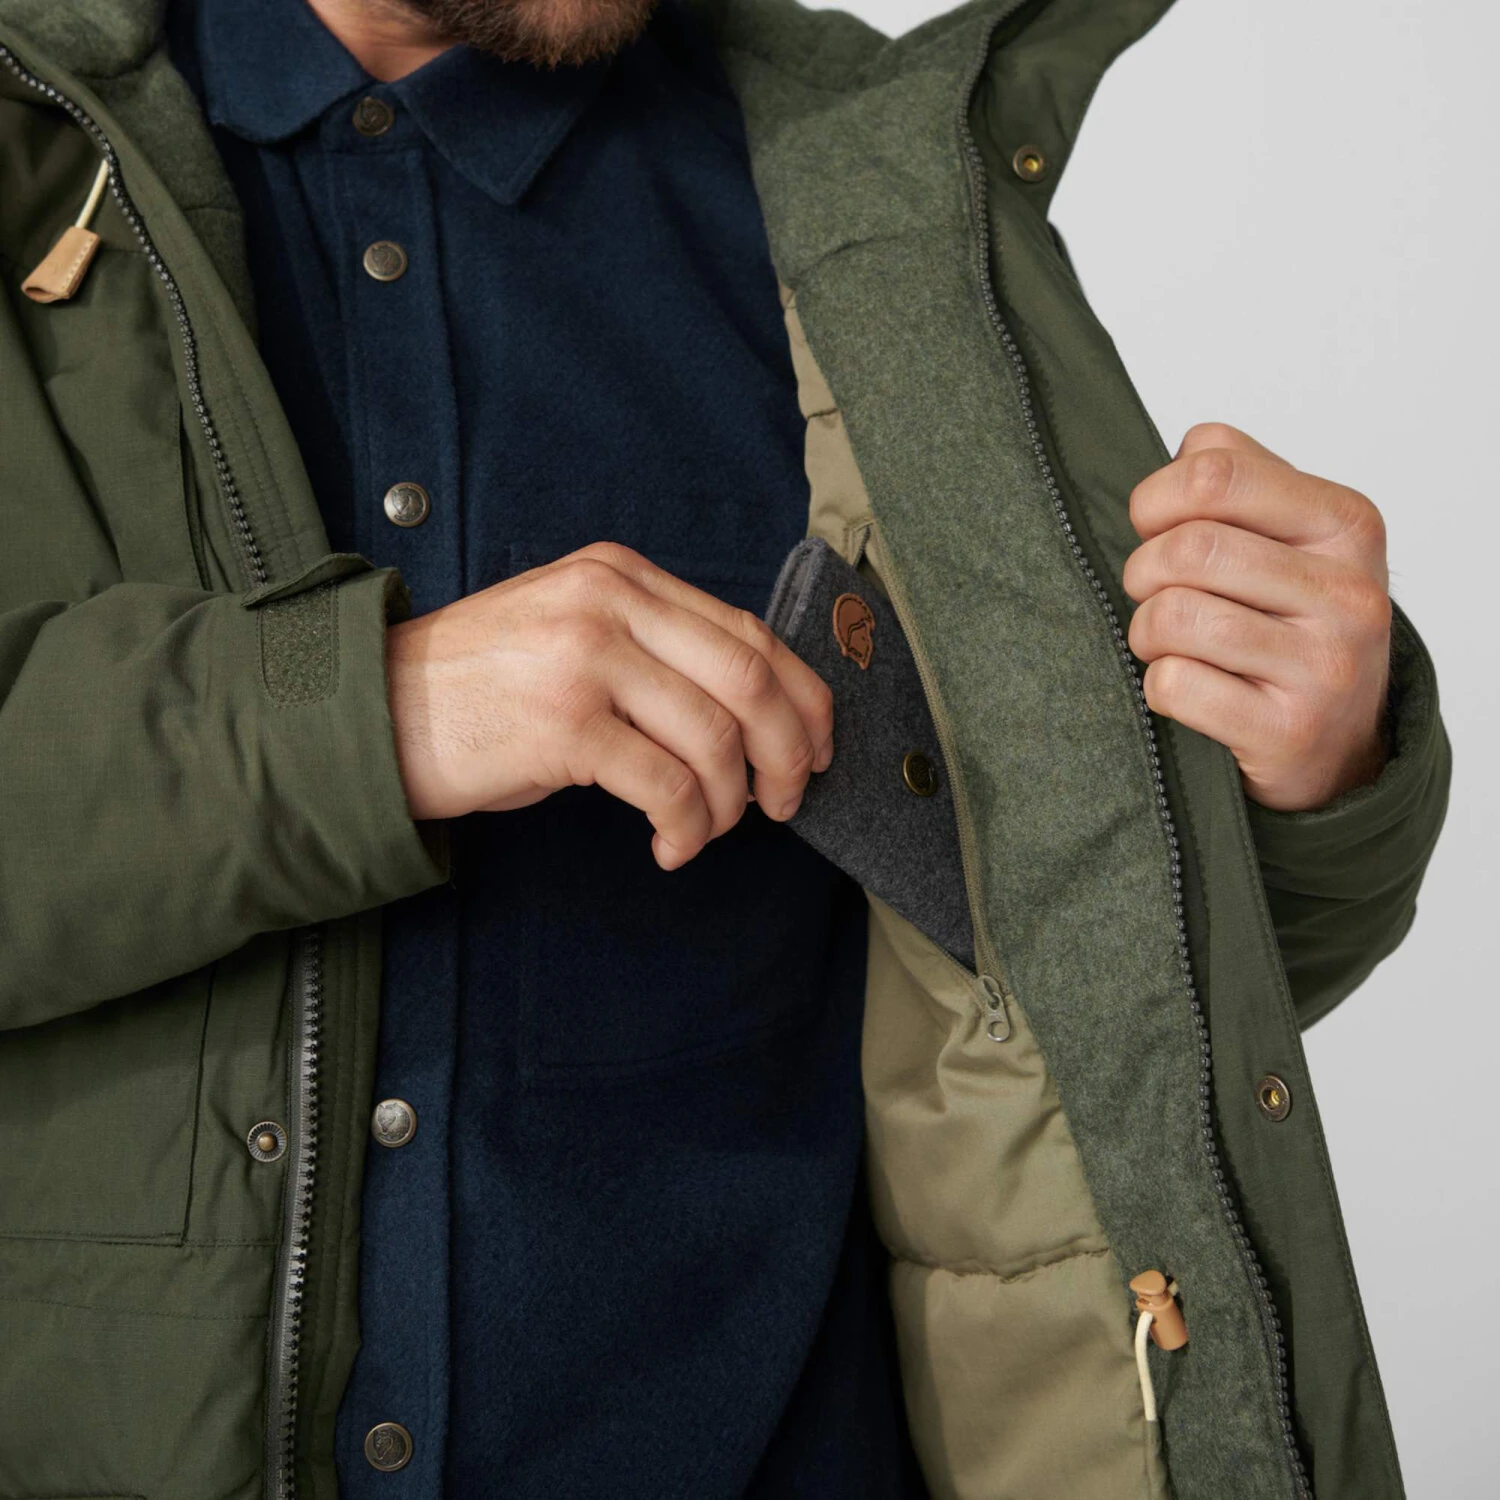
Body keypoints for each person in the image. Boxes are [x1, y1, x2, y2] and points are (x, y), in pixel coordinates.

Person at [0, 0, 1449, 1496]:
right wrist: (367, 714)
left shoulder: (864, 183)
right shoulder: (33, 136)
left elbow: (1082, 989)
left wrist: (1308, 775)